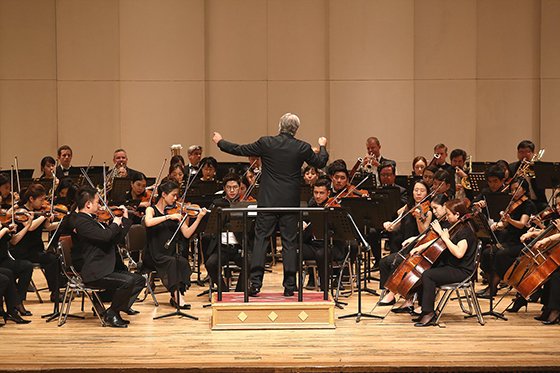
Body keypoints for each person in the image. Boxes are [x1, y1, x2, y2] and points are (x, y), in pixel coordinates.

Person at [212, 112, 328, 296]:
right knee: (290, 243)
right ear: (296, 129)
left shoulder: (266, 143)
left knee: (261, 241)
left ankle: (255, 284)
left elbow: (240, 149)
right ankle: (290, 286)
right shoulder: (302, 147)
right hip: (290, 204)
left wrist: (220, 142)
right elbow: (321, 161)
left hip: (267, 202)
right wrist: (322, 146)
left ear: (279, 126)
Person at [70, 186, 144, 328]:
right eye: (98, 202)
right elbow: (106, 236)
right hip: (95, 271)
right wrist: (115, 223)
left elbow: (114, 239)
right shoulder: (82, 222)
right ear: (88, 204)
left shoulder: (93, 220)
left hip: (105, 266)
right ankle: (113, 313)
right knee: (127, 282)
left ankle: (113, 310)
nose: (100, 206)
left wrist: (125, 220)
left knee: (139, 280)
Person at [410, 199, 478, 326]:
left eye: (448, 214)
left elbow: (459, 253)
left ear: (457, 215)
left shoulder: (465, 231)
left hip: (462, 271)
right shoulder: (456, 226)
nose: (446, 217)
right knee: (425, 271)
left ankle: (429, 313)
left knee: (428, 275)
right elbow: (440, 242)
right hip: (452, 266)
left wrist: (443, 235)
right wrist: (420, 247)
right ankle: (424, 310)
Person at [144, 180, 207, 308]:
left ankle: (176, 295)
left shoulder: (175, 213)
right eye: (173, 195)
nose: (176, 198)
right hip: (154, 254)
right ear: (163, 194)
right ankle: (177, 297)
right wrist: (168, 218)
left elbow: (187, 233)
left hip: (169, 253)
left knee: (182, 261)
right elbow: (148, 222)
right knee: (172, 262)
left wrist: (199, 218)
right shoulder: (151, 210)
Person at [10, 184, 61, 303]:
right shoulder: (22, 211)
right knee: (50, 259)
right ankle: (19, 299)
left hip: (35, 250)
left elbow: (48, 227)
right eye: (41, 200)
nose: (43, 203)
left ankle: (55, 292)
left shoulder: (39, 211)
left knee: (54, 259)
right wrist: (44, 216)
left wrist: (61, 223)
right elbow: (31, 227)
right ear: (31, 199)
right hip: (22, 251)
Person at [203, 174, 246, 291]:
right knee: (210, 264)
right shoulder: (217, 204)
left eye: (235, 187)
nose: (232, 190)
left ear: (239, 188)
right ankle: (223, 289)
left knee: (251, 262)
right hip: (222, 248)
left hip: (239, 247)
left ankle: (240, 291)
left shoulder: (245, 205)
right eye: (229, 187)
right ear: (224, 188)